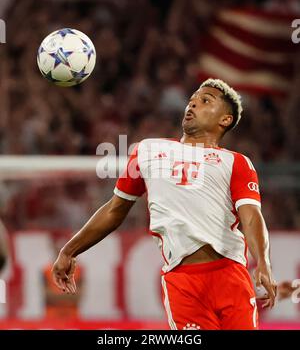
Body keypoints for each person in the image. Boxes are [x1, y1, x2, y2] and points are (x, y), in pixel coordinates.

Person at [52, 78, 277, 330]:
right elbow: (115, 209)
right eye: (192, 99)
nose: (192, 105)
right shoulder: (147, 150)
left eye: (205, 101)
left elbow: (251, 216)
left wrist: (264, 262)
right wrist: (69, 250)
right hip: (183, 284)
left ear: (224, 120)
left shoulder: (236, 163)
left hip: (230, 276)